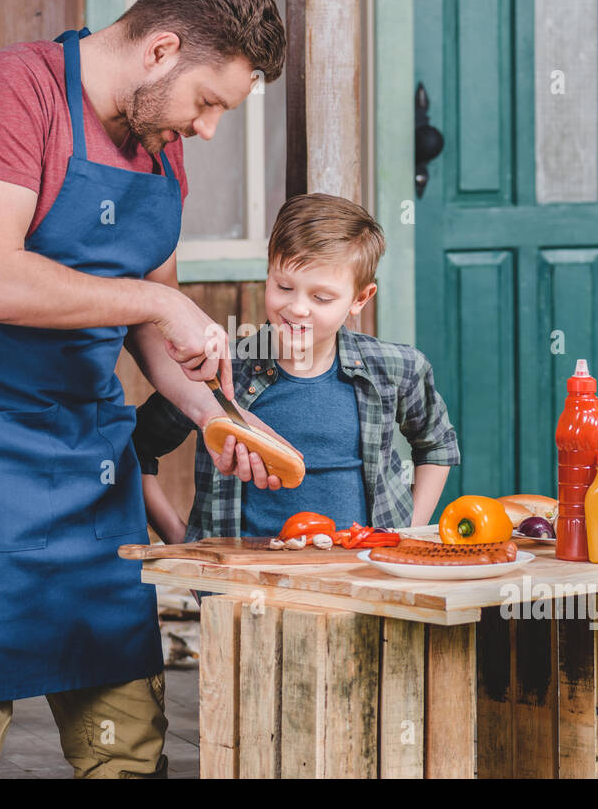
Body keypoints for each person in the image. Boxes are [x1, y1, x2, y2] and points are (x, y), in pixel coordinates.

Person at [0, 0, 292, 779]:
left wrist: (214, 416)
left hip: (92, 472)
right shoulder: (4, 92)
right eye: (208, 102)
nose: (208, 129)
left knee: (126, 742)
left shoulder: (160, 149)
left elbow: (148, 327)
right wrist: (161, 304)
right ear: (160, 49)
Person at [134, 193, 461, 547]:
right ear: (268, 274)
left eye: (321, 298)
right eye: (284, 287)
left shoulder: (397, 368)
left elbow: (436, 444)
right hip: (244, 588)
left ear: (360, 299)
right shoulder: (218, 369)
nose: (297, 308)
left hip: (363, 581)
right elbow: (137, 447)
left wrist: (407, 531)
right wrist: (180, 538)